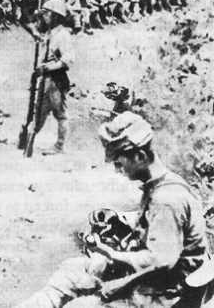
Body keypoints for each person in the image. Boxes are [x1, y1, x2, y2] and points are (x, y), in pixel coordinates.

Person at [16, 112, 210, 308]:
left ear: (140, 156)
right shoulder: (162, 185)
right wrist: (120, 218)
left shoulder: (166, 200)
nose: (117, 170)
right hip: (151, 278)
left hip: (165, 294)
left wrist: (112, 256)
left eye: (119, 163)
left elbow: (159, 263)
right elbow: (159, 224)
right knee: (71, 271)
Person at [32, 0, 75, 156]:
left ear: (56, 16)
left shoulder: (63, 35)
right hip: (46, 78)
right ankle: (30, 135)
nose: (44, 17)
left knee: (60, 113)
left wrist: (49, 67)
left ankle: (59, 146)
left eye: (47, 14)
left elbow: (69, 58)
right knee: (40, 110)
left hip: (56, 79)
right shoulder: (50, 33)